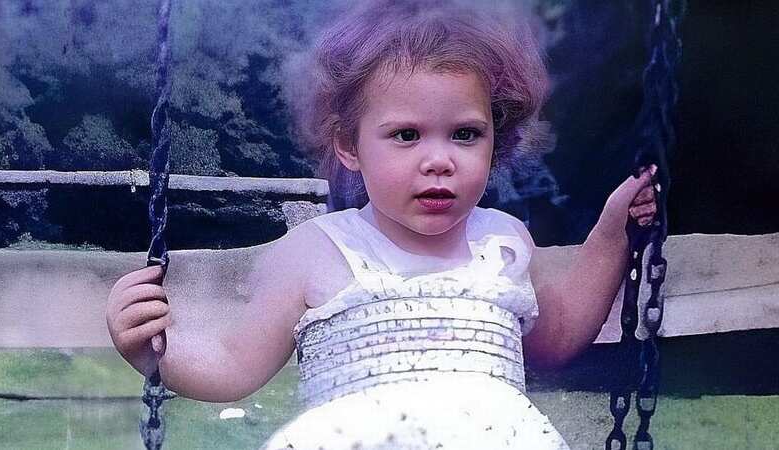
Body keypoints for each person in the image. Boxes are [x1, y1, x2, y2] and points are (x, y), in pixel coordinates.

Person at [106, 1, 658, 448]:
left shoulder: (503, 243)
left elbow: (557, 339)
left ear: (496, 136)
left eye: (465, 134)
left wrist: (614, 232)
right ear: (349, 144)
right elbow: (233, 366)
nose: (438, 159)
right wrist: (154, 353)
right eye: (406, 135)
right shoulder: (313, 252)